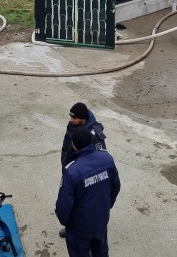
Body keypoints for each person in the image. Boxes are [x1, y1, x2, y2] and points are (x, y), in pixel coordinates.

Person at [55, 128, 121, 257]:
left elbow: (64, 205)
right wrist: (107, 206)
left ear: (74, 145)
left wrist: (67, 223)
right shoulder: (107, 158)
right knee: (101, 252)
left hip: (79, 227)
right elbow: (116, 187)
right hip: (101, 221)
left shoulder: (72, 171)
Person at [59, 102, 107, 238]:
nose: (71, 120)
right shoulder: (72, 126)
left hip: (84, 177)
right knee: (70, 202)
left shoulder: (95, 134)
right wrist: (64, 164)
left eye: (74, 118)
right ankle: (71, 227)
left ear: (83, 118)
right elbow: (66, 145)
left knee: (86, 205)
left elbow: (100, 160)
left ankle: (91, 238)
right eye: (70, 117)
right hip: (70, 172)